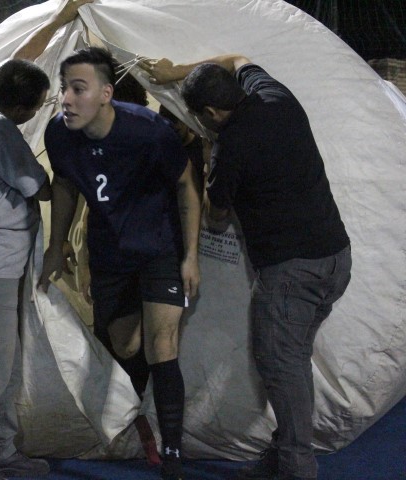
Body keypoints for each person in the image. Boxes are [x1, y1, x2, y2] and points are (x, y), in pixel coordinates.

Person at [140, 54, 352, 480]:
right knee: (293, 361)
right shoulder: (275, 95)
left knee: (282, 367)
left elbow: (217, 217)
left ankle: (296, 468)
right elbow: (238, 57)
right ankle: (281, 456)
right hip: (335, 258)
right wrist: (175, 72)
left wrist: (206, 158)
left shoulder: (231, 145)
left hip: (291, 272)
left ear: (211, 113)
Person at [0, 2, 92, 480]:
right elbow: (39, 187)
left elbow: (16, 59)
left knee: (1, 364)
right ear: (22, 109)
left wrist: (61, 17)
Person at [38, 47, 202, 480]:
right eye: (64, 89)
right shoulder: (59, 135)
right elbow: (65, 184)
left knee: (162, 344)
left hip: (159, 250)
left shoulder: (148, 131)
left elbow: (186, 186)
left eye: (78, 89)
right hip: (111, 253)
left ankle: (172, 451)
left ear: (106, 94)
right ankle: (134, 418)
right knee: (126, 345)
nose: (66, 99)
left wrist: (190, 255)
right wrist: (57, 243)